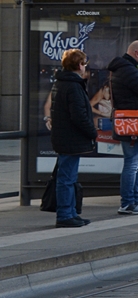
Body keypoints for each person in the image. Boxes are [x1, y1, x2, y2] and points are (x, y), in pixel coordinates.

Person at [107, 40, 138, 215]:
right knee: (133, 163)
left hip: (135, 122)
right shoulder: (127, 69)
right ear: (137, 54)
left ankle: (137, 199)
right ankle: (128, 202)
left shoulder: (129, 69)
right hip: (131, 123)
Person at [51, 49, 96, 228]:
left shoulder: (63, 83)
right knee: (67, 178)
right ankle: (64, 214)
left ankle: (69, 213)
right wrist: (92, 132)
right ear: (79, 65)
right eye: (84, 63)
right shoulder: (73, 86)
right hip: (70, 138)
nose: (85, 67)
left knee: (68, 177)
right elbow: (79, 115)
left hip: (65, 137)